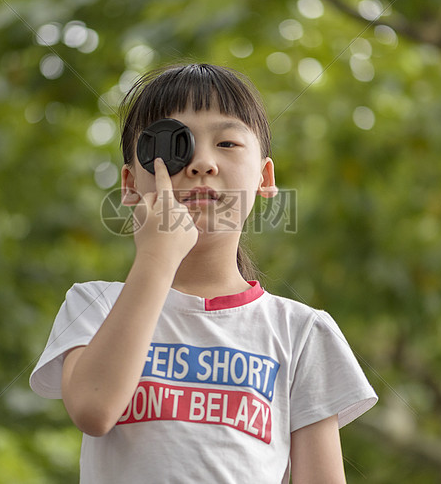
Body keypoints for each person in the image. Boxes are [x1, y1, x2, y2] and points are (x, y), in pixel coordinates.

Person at [30, 63, 377, 483]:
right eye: (174, 145)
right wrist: (157, 259)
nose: (201, 164)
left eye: (227, 142)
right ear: (129, 184)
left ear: (266, 177)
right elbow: (93, 408)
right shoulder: (95, 305)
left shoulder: (302, 332)